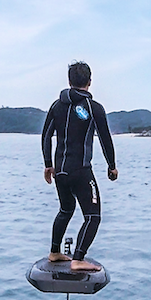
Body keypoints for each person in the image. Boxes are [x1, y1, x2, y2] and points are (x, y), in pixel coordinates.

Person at [41, 61, 118, 272]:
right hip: (81, 170)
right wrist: (112, 166)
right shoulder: (94, 109)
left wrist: (48, 164)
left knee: (66, 209)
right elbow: (105, 140)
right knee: (93, 216)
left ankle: (55, 252)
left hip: (60, 171)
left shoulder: (56, 106)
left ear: (69, 81)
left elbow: (46, 135)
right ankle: (78, 259)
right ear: (90, 82)